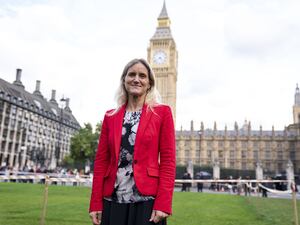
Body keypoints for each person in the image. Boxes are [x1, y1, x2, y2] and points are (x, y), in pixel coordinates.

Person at [89, 58, 176, 225]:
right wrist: (95, 204)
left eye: (142, 76)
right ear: (124, 80)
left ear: (149, 83)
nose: (137, 79)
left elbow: (168, 161)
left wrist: (163, 203)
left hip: (146, 201)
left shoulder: (162, 113)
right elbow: (101, 161)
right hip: (112, 199)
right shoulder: (110, 116)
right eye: (132, 75)